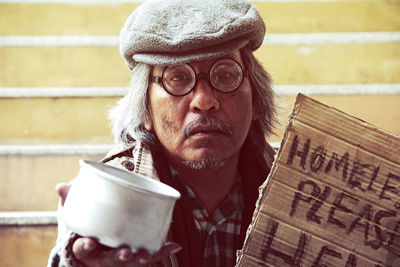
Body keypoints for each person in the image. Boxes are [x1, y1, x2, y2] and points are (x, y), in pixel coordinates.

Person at [48, 0, 278, 266]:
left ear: (256, 101)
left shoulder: (301, 186)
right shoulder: (106, 196)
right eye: (177, 78)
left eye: (225, 75)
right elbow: (79, 251)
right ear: (145, 110)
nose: (203, 100)